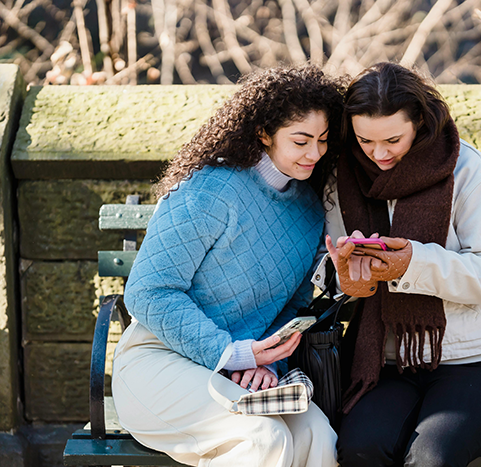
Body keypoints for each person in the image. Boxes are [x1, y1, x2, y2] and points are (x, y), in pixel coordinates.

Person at [111, 64, 344, 467]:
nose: (315, 153)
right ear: (264, 134)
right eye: (301, 140)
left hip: (240, 372)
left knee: (318, 437)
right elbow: (148, 293)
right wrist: (231, 354)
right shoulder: (209, 189)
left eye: (323, 140)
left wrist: (267, 364)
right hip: (158, 362)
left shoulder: (308, 211)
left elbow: (290, 308)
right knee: (260, 438)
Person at [316, 62, 481, 467]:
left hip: (473, 362)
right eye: (365, 141)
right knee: (360, 450)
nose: (379, 153)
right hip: (384, 364)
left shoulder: (468, 172)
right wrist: (344, 279)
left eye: (393, 138)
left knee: (431, 459)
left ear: (420, 122)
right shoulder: (344, 177)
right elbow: (328, 265)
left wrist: (411, 264)